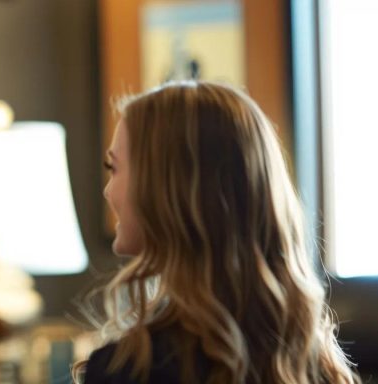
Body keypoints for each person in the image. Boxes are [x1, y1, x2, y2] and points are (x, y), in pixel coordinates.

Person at [81, 81, 357, 383]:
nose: (108, 191)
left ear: (171, 190)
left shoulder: (128, 370)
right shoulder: (316, 362)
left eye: (115, 168)